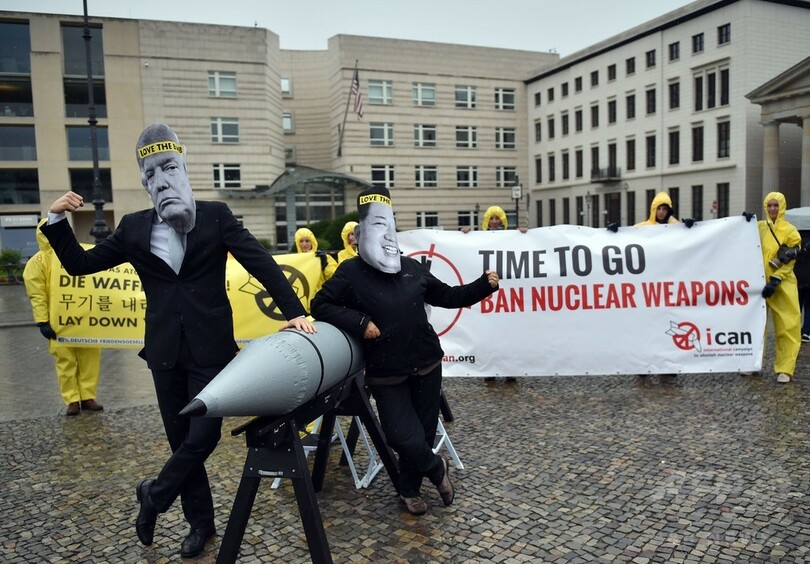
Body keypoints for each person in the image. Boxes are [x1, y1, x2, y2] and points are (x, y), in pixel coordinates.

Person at [41, 123, 315, 558]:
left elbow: (261, 263)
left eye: (169, 168)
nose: (162, 180)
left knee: (203, 438)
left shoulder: (216, 215)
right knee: (180, 441)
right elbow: (78, 264)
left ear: (184, 169)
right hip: (164, 353)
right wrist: (57, 218)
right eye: (151, 174)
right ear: (145, 183)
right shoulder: (133, 227)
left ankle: (153, 494)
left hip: (212, 352)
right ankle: (200, 524)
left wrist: (295, 312)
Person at [312, 186, 499, 516]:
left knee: (423, 433)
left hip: (426, 363)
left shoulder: (411, 267)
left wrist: (483, 285)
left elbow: (449, 296)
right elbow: (320, 304)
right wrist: (359, 322)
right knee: (399, 436)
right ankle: (437, 468)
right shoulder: (350, 273)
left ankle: (408, 490)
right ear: (362, 232)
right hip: (386, 372)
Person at [23, 219, 103, 416]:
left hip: (85, 319)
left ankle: (87, 397)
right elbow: (37, 294)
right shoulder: (37, 262)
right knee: (65, 361)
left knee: (89, 359)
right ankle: (72, 399)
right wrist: (42, 321)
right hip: (58, 323)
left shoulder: (77, 255)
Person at [756, 191, 801, 383]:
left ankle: (785, 369)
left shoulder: (791, 231)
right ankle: (752, 362)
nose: (773, 208)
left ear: (782, 207)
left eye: (776, 205)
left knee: (787, 327)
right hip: (759, 283)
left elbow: (790, 260)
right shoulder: (758, 227)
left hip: (782, 285)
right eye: (769, 205)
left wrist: (776, 279)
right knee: (756, 326)